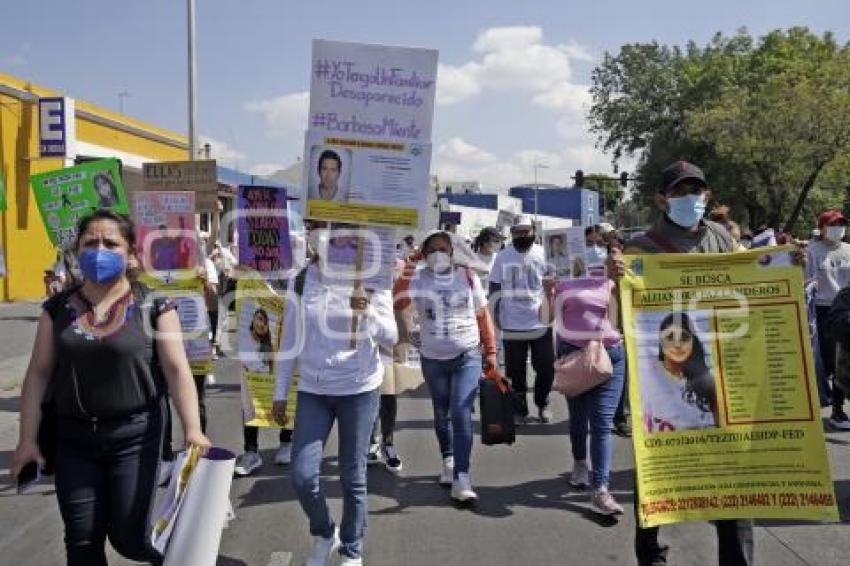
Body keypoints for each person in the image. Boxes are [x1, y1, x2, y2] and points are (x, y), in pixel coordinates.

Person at [11, 209, 210, 565]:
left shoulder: (155, 306)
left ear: (131, 254)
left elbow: (178, 371)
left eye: (110, 243)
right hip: (73, 442)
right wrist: (27, 441)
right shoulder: (56, 310)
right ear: (77, 250)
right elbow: (38, 374)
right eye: (90, 242)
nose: (98, 250)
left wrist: (193, 431)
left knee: (129, 538)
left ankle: (198, 558)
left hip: (136, 437)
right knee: (82, 541)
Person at [620, 160, 752, 566]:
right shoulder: (642, 247)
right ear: (662, 199)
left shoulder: (722, 240)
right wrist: (616, 278)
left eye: (696, 190)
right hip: (658, 379)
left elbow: (754, 276)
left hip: (713, 362)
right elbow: (626, 308)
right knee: (658, 474)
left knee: (733, 480)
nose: (690, 199)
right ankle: (651, 555)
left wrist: (789, 263)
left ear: (707, 195)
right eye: (680, 192)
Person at [272, 225, 397, 566]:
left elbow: (392, 336)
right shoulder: (302, 279)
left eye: (336, 230)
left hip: (358, 389)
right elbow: (289, 340)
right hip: (313, 389)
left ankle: (352, 549)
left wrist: (367, 312)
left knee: (352, 476)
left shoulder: (372, 277)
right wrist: (280, 393)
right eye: (318, 228)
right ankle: (325, 531)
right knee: (302, 474)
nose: (325, 236)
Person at [393, 231, 497, 503]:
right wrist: (411, 264)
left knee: (461, 411)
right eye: (432, 249)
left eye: (443, 248)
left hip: (467, 354)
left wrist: (492, 352)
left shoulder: (467, 276)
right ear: (424, 253)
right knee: (441, 412)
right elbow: (398, 301)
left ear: (453, 251)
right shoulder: (417, 277)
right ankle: (448, 459)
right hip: (433, 358)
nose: (438, 253)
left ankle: (462, 477)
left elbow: (482, 315)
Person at [541, 249, 626, 515]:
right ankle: (580, 465)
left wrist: (621, 283)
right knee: (578, 419)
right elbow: (544, 319)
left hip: (610, 355)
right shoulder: (564, 283)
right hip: (575, 357)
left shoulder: (615, 282)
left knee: (602, 422)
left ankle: (600, 488)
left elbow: (625, 319)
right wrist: (547, 291)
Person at [489, 214, 555, 423]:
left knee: (545, 366)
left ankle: (542, 402)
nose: (522, 235)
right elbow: (494, 285)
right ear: (512, 234)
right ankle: (519, 410)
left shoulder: (544, 254)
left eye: (526, 231)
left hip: (540, 321)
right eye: (517, 232)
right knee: (515, 370)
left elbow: (556, 280)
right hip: (512, 322)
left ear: (533, 232)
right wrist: (496, 312)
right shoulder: (503, 256)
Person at [806, 209, 850, 429]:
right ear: (822, 228)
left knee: (843, 359)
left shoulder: (849, 250)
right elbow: (805, 282)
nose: (838, 228)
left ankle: (838, 409)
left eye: (841, 224)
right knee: (828, 361)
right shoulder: (811, 252)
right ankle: (831, 407)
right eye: (833, 224)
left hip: (846, 310)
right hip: (823, 312)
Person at [642, 313, 718, 433]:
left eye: (684, 337)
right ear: (661, 342)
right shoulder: (646, 378)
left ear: (693, 342)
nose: (677, 344)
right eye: (670, 337)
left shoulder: (707, 382)